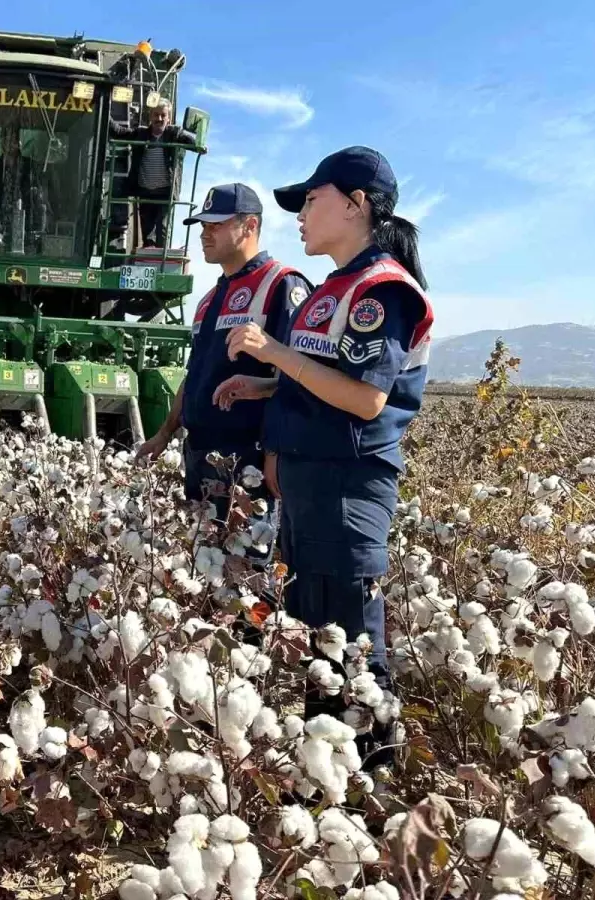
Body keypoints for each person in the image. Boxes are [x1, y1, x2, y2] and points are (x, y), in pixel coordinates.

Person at [219, 146, 434, 762]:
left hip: (348, 486)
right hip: (314, 489)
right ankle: (325, 775)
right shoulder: (333, 289)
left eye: (311, 200)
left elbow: (366, 400)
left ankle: (372, 779)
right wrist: (263, 385)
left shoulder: (380, 290)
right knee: (320, 637)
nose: (301, 214)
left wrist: (274, 355)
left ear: (356, 204)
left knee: (353, 642)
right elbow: (321, 381)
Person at [137, 183, 311, 563]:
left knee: (250, 572)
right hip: (200, 456)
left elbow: (304, 378)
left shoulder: (281, 285)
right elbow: (195, 373)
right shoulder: (207, 300)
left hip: (249, 461)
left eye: (215, 225)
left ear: (249, 227)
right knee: (204, 567)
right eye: (202, 226)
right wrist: (165, 433)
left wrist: (276, 454)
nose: (204, 233)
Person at [109, 99, 196, 249]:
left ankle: (160, 259)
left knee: (162, 229)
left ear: (168, 118)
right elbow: (119, 132)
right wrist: (103, 107)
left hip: (165, 192)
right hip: (145, 191)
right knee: (147, 231)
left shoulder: (174, 133)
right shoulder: (141, 133)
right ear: (151, 116)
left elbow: (192, 141)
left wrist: (199, 142)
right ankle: (148, 259)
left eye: (163, 115)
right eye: (156, 115)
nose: (159, 119)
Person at [0, 124, 51, 250]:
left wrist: (40, 231)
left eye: (13, 139)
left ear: (19, 142)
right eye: (5, 139)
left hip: (29, 225)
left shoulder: (30, 166)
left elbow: (42, 199)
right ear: (1, 142)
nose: (9, 143)